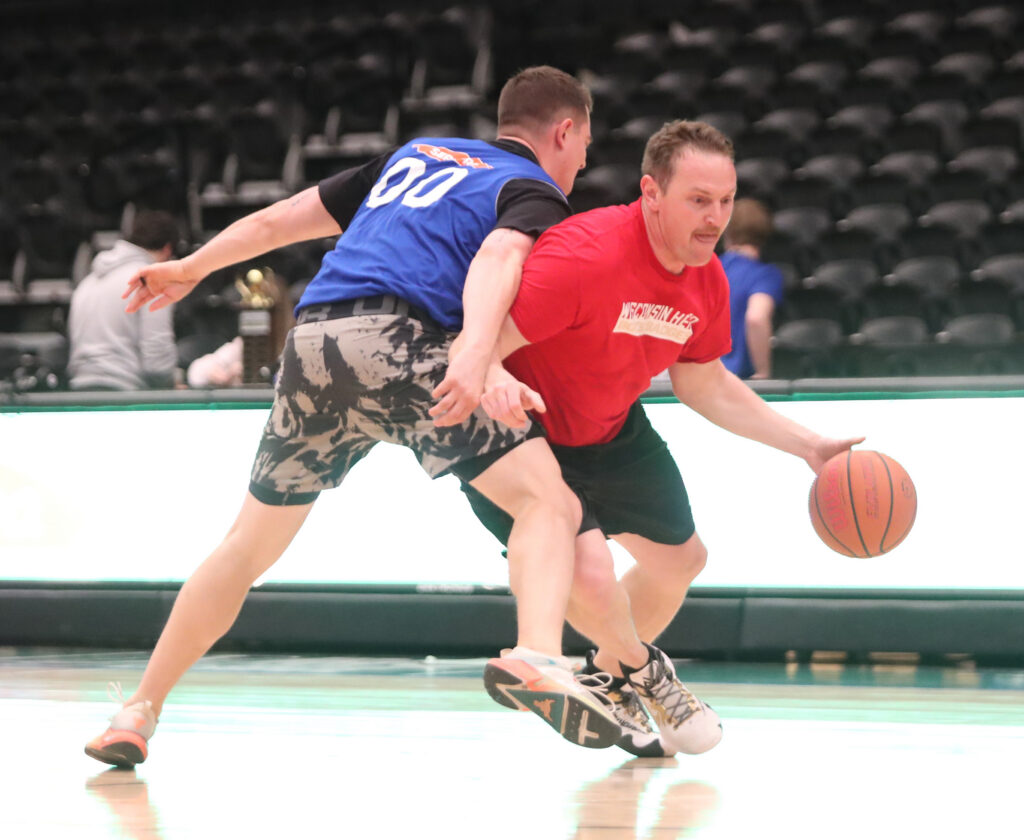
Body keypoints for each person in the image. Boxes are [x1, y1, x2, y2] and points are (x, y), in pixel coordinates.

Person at [85, 66, 625, 767]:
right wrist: (475, 352)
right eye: (584, 145)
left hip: (312, 341)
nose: (581, 163)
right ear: (565, 132)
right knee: (548, 501)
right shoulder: (530, 188)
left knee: (245, 548)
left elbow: (280, 219)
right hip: (402, 341)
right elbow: (498, 256)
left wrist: (192, 266)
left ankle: (137, 710)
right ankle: (539, 654)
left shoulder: (414, 156)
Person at [461, 120, 863, 757]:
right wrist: (496, 379)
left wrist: (808, 447)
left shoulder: (708, 280)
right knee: (591, 577)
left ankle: (610, 676)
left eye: (725, 201)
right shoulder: (585, 254)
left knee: (682, 561)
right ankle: (647, 671)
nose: (715, 218)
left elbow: (705, 384)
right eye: (698, 200)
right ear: (651, 192)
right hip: (522, 432)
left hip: (611, 427)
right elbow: (481, 343)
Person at [67, 210, 180, 391]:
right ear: (168, 250)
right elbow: (157, 364)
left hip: (79, 390)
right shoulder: (151, 281)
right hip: (124, 394)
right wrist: (173, 383)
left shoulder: (86, 283)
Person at [719, 198, 784, 380]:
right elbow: (756, 318)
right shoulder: (764, 275)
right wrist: (763, 372)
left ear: (727, 232)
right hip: (738, 381)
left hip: (700, 379)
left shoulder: (704, 270)